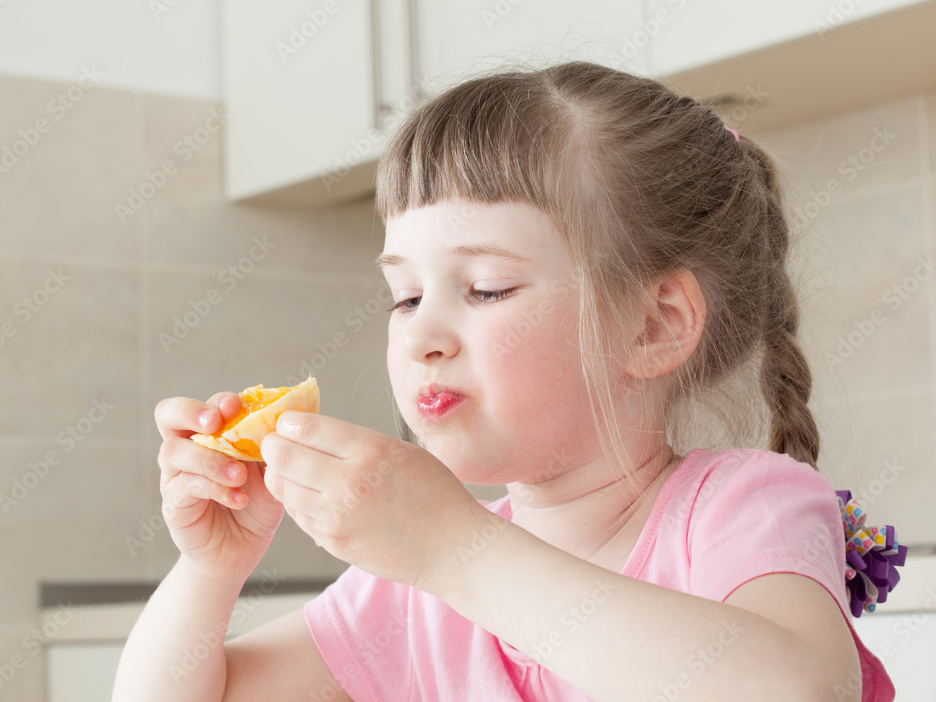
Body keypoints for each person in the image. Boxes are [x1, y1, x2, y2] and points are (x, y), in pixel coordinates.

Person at [112, 60, 904, 701]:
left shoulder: (738, 509)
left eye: (486, 287)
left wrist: (453, 548)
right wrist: (213, 568)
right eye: (406, 296)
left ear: (654, 326)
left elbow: (793, 692)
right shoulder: (410, 592)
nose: (421, 334)